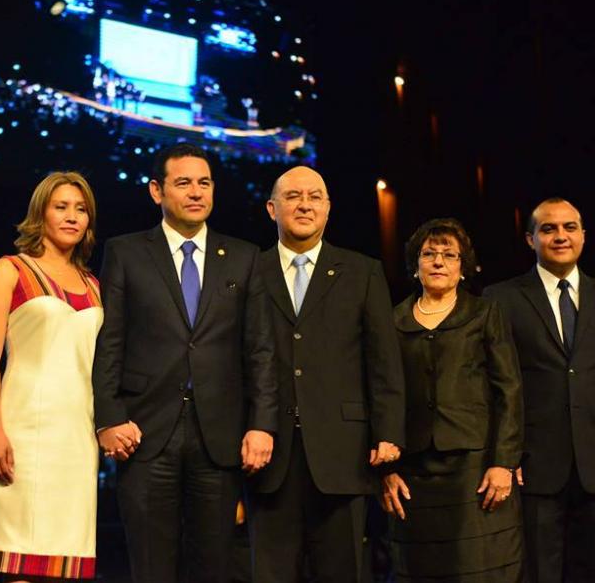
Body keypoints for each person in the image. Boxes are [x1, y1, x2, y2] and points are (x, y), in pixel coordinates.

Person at [92, 143, 278, 583]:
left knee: (213, 566)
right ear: (157, 191)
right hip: (145, 432)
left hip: (220, 436)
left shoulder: (244, 257)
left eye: (204, 183)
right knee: (151, 565)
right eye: (183, 183)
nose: (196, 192)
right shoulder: (126, 252)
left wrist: (262, 423)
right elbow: (109, 342)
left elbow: (261, 349)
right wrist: (109, 418)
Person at [247, 166, 405, 583]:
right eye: (293, 196)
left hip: (344, 454)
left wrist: (388, 434)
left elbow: (383, 361)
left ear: (329, 208)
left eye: (315, 196)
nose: (304, 204)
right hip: (269, 457)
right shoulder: (247, 272)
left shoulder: (361, 271)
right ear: (271, 208)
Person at [382, 218, 523, 581]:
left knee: (478, 569)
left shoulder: (484, 312)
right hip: (414, 471)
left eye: (449, 254)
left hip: (476, 469)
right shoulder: (393, 320)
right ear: (415, 265)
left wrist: (503, 462)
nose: (439, 261)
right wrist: (386, 470)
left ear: (463, 266)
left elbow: (509, 389)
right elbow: (382, 395)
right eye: (429, 254)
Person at [0, 172, 103, 580]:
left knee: (69, 561)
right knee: (21, 560)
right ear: (40, 213)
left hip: (78, 438)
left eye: (80, 209)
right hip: (24, 433)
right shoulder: (10, 270)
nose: (72, 217)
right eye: (61, 207)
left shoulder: (95, 285)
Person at [484, 198, 595, 582]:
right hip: (534, 465)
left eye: (570, 227)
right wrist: (505, 455)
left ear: (584, 235)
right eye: (549, 229)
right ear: (530, 239)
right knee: (540, 572)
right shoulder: (499, 299)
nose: (560, 236)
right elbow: (492, 385)